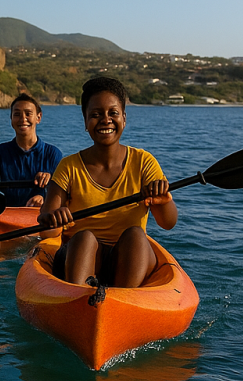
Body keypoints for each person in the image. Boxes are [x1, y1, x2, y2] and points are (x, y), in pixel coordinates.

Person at [36, 76, 177, 289]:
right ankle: (79, 298)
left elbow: (168, 223)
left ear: (124, 119)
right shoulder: (69, 167)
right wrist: (55, 219)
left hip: (128, 261)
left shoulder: (144, 162)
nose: (105, 120)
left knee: (136, 236)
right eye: (95, 115)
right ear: (85, 122)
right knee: (84, 238)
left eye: (113, 113)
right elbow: (46, 233)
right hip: (80, 259)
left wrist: (163, 201)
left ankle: (124, 301)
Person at [0, 93, 62, 207]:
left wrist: (44, 196)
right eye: (17, 114)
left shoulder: (53, 153)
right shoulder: (0, 151)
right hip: (9, 214)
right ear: (11, 119)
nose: (22, 119)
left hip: (41, 216)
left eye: (28, 114)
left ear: (38, 117)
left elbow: (62, 192)